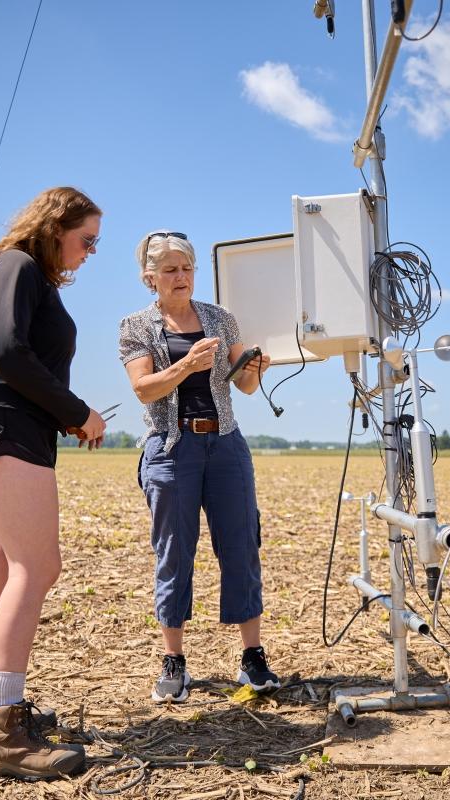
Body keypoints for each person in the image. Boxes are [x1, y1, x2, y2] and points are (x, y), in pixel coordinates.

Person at [0, 186, 106, 781]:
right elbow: (10, 353)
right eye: (86, 239)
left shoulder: (10, 269)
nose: (91, 253)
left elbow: (12, 359)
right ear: (54, 226)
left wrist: (56, 414)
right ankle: (3, 735)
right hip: (2, 423)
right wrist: (75, 409)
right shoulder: (16, 264)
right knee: (36, 568)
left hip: (2, 421)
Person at [118, 230, 280, 703]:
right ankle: (174, 661)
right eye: (169, 269)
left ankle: (252, 657)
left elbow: (244, 387)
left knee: (241, 548)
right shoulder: (135, 327)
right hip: (171, 451)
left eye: (186, 268)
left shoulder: (219, 319)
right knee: (174, 553)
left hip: (225, 445)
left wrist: (254, 368)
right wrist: (186, 365)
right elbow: (145, 389)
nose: (181, 277)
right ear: (150, 278)